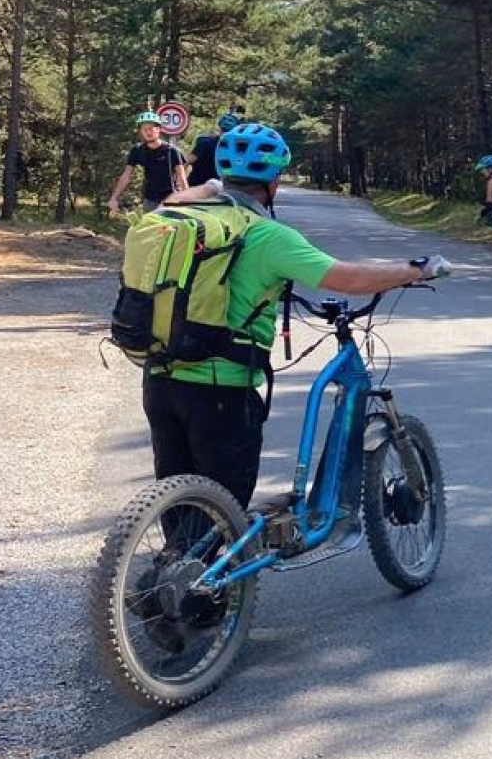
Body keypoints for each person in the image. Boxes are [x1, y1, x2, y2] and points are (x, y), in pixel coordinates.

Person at [142, 120, 449, 514]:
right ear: (273, 183)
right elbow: (347, 278)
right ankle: (209, 571)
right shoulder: (269, 235)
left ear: (222, 176)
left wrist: (209, 188)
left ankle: (175, 567)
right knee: (224, 512)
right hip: (222, 388)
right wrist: (414, 269)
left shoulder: (180, 220)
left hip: (161, 375)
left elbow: (170, 201)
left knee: (180, 496)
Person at [108, 112, 187, 216]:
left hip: (171, 200)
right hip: (150, 200)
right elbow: (126, 176)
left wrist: (187, 200)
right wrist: (114, 197)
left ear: (158, 129)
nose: (148, 132)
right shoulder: (138, 150)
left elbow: (182, 177)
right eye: (144, 129)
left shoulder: (171, 151)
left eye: (151, 128)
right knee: (151, 230)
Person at [187, 111, 243, 186]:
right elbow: (186, 162)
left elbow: (185, 162)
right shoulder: (205, 142)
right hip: (202, 188)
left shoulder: (205, 142)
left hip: (210, 189)